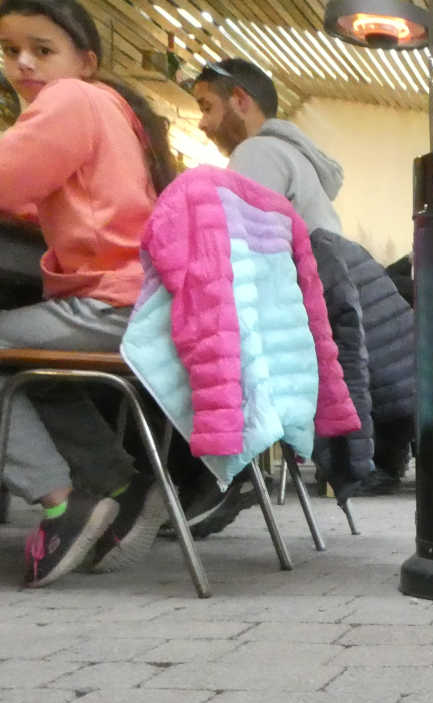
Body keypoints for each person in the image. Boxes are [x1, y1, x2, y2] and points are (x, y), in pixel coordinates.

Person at [0, 0, 173, 586]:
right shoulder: (115, 110)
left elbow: (6, 175)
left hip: (109, 300)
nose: (22, 63)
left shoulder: (69, 98)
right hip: (138, 303)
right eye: (9, 50)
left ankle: (58, 500)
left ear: (86, 60)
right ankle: (116, 486)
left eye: (41, 50)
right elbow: (36, 194)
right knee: (34, 371)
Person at [189, 58, 344, 235]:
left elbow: (243, 246)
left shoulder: (257, 152)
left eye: (207, 108)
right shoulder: (289, 156)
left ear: (239, 100)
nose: (201, 124)